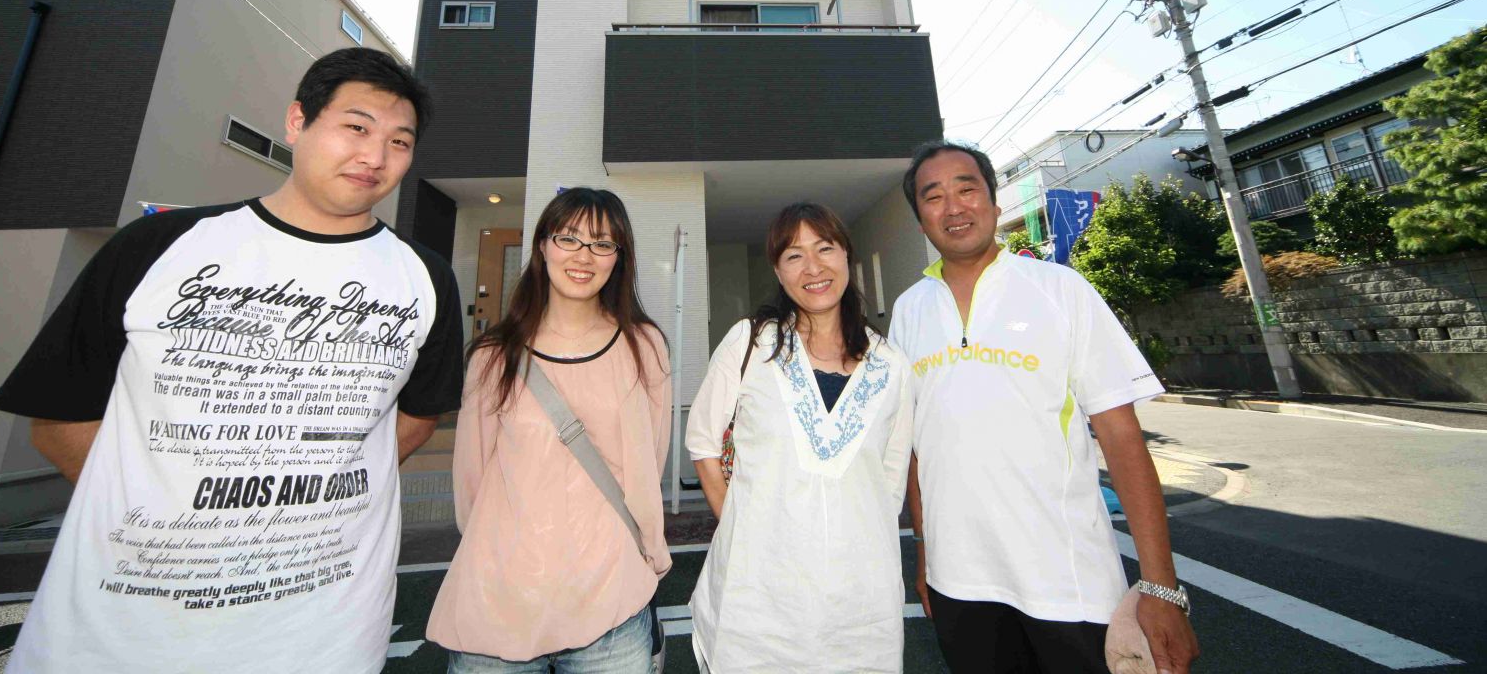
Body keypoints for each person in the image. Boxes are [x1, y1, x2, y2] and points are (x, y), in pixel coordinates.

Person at [0, 48, 463, 673]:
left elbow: (415, 420)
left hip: (330, 632)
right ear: (298, 123)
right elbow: (59, 420)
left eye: (399, 142)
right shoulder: (161, 246)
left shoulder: (424, 278)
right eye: (356, 127)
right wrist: (164, 504)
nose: (375, 157)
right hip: (122, 632)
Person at [891, 140, 1199, 674]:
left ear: (994, 201)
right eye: (934, 196)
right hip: (958, 583)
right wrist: (923, 552)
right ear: (920, 218)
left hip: (1071, 585)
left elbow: (1122, 436)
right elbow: (918, 447)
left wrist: (1161, 587)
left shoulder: (1061, 290)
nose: (954, 206)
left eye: (968, 189)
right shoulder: (908, 310)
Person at [427, 187, 671, 673]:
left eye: (603, 244)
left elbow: (648, 468)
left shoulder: (644, 346)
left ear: (619, 258)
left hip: (611, 602)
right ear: (542, 245)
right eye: (569, 238)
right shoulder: (494, 356)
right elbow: (472, 483)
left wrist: (648, 551)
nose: (585, 256)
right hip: (501, 602)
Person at [686, 202, 913, 673]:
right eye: (793, 255)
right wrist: (740, 528)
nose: (813, 267)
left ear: (846, 257)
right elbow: (704, 442)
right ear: (778, 270)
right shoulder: (752, 343)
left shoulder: (890, 364)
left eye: (825, 248)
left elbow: (891, 477)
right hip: (759, 599)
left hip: (860, 602)